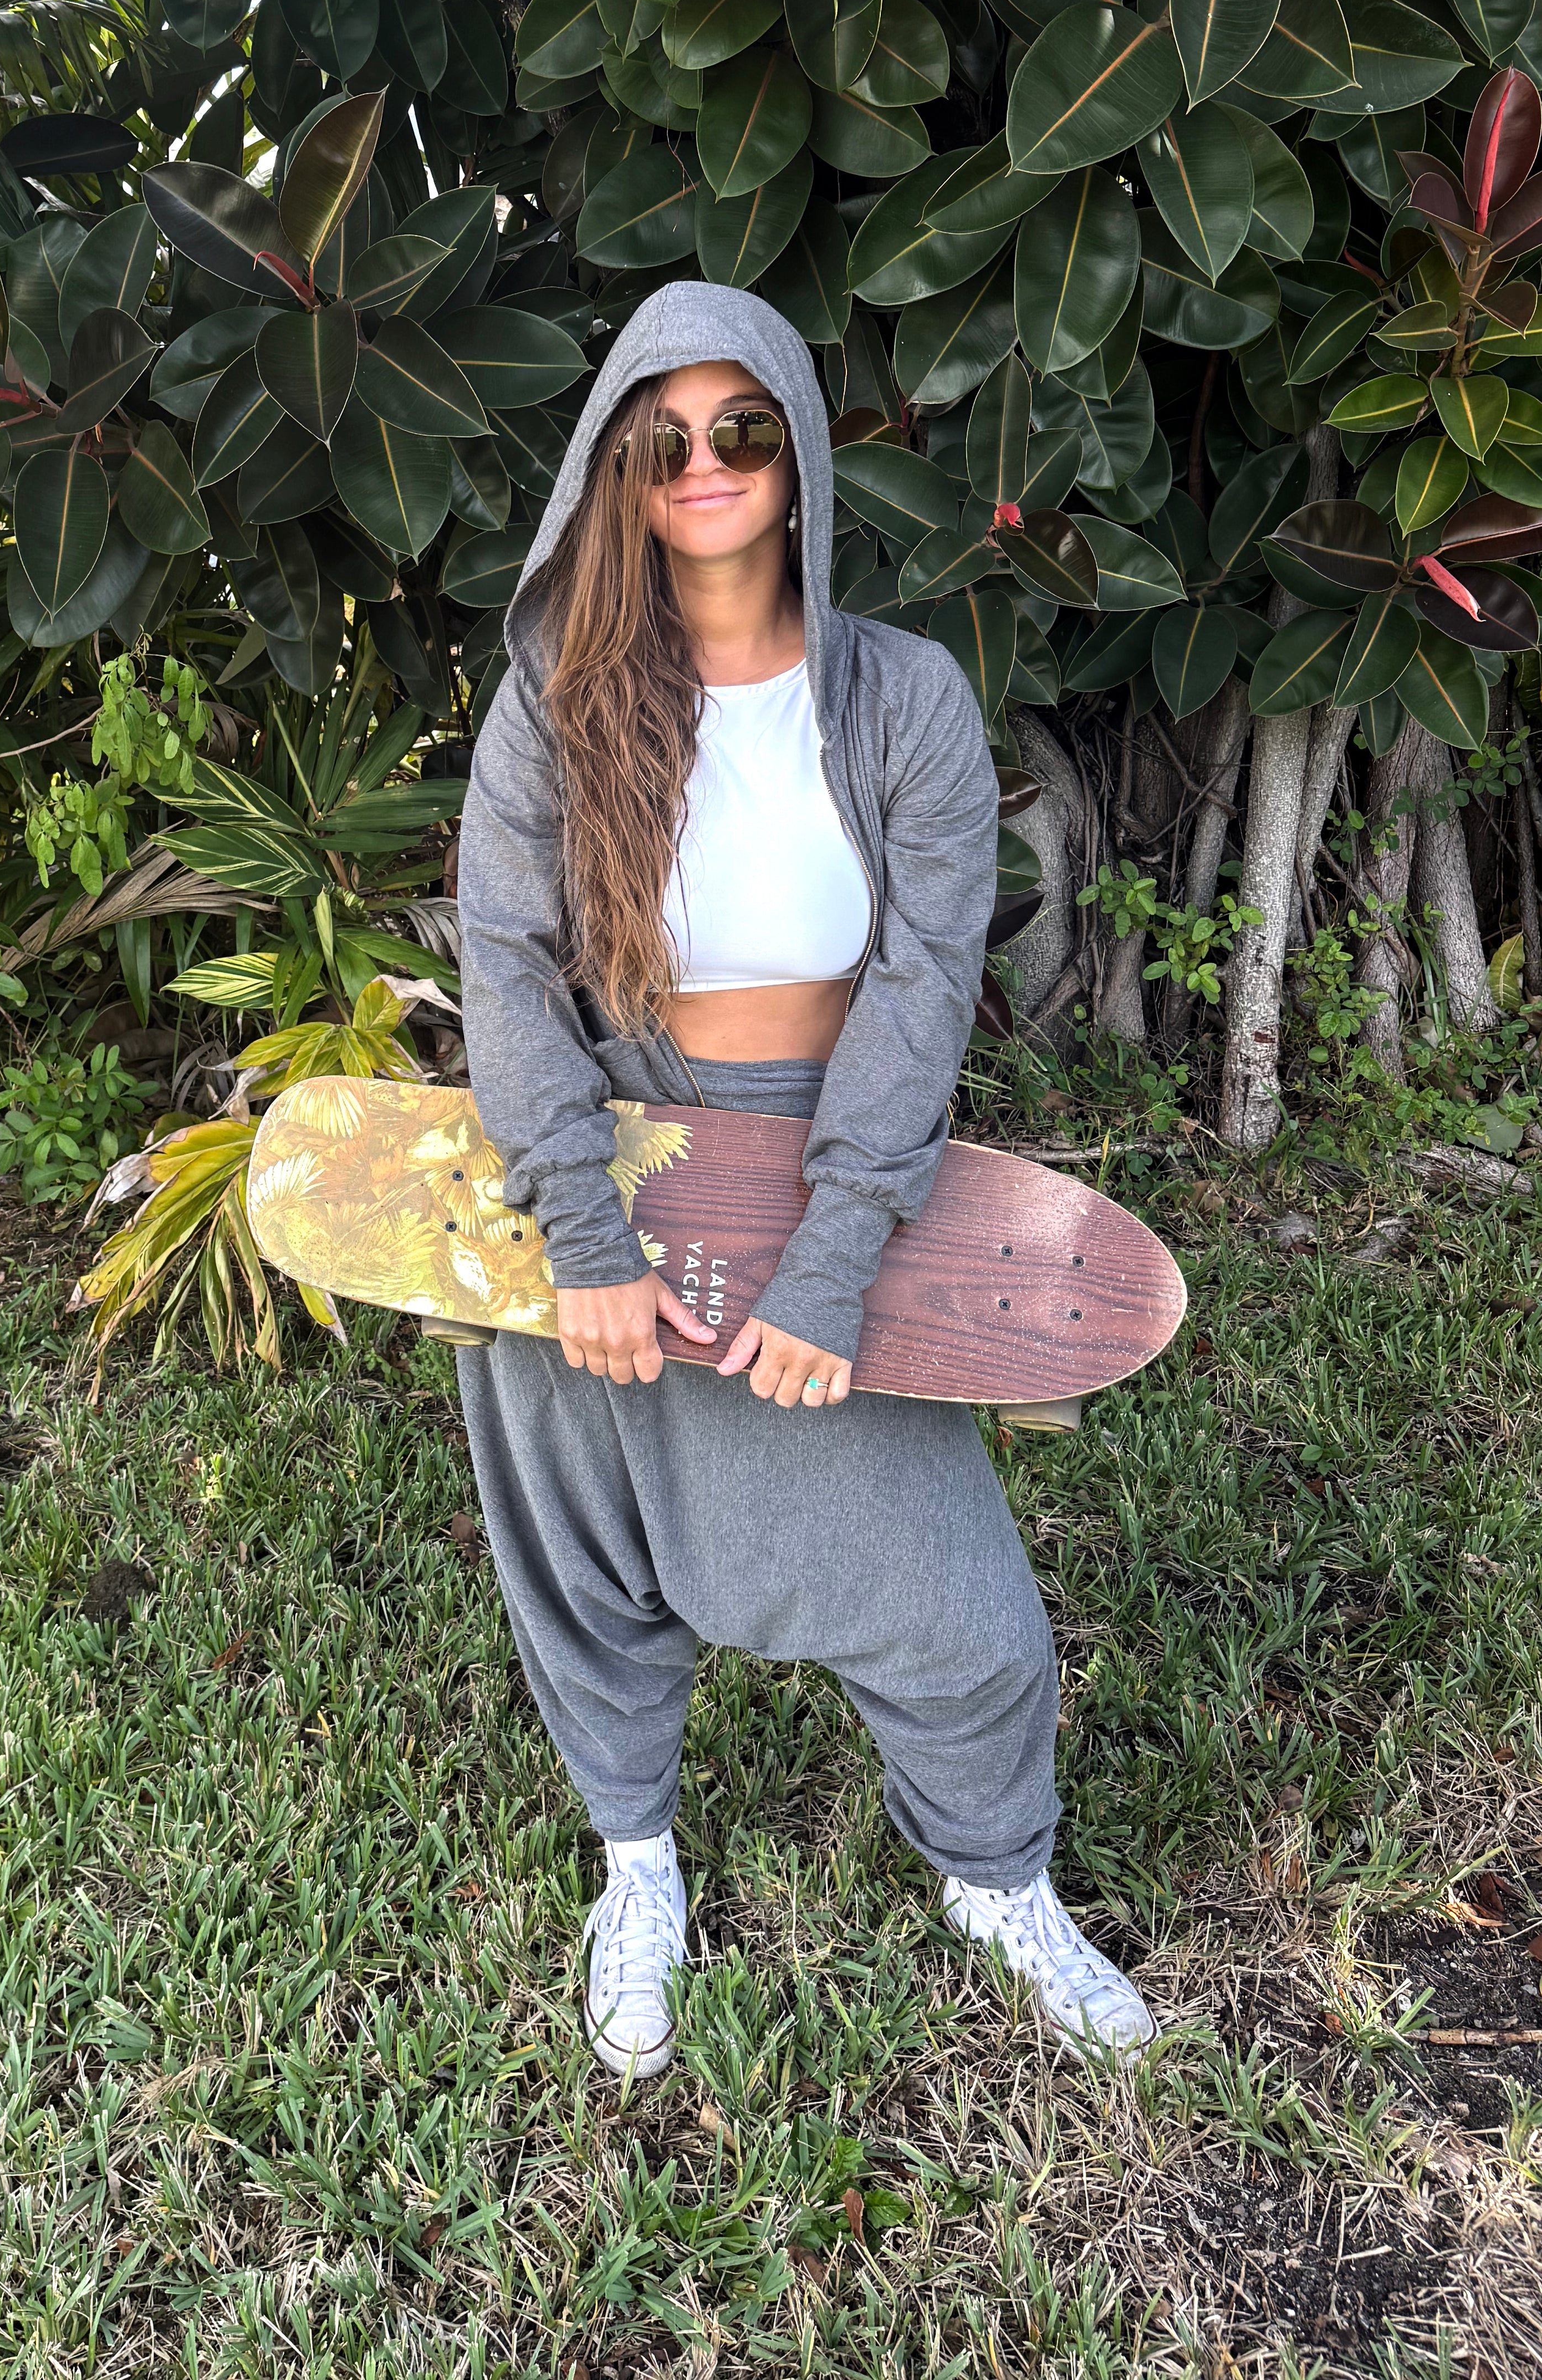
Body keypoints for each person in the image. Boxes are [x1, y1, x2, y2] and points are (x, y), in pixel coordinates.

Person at [454, 283, 1156, 2078]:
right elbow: (512, 968)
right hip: (602, 1151)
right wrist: (583, 1232)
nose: (705, 467)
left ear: (798, 456)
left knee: (963, 1606)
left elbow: (924, 985)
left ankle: (997, 1877)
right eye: (663, 436)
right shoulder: (553, 702)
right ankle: (636, 1858)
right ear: (619, 464)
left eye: (742, 430)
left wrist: (839, 1251)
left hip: (831, 1149)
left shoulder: (903, 694)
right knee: (581, 1540)